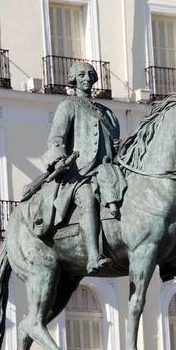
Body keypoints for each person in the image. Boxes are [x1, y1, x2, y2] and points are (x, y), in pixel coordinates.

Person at [43, 61, 124, 274]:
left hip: (107, 169)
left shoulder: (107, 113)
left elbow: (116, 144)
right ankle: (93, 255)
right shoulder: (68, 105)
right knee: (88, 199)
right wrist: (58, 159)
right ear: (74, 79)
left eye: (90, 74)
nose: (87, 78)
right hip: (79, 173)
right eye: (81, 75)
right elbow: (56, 138)